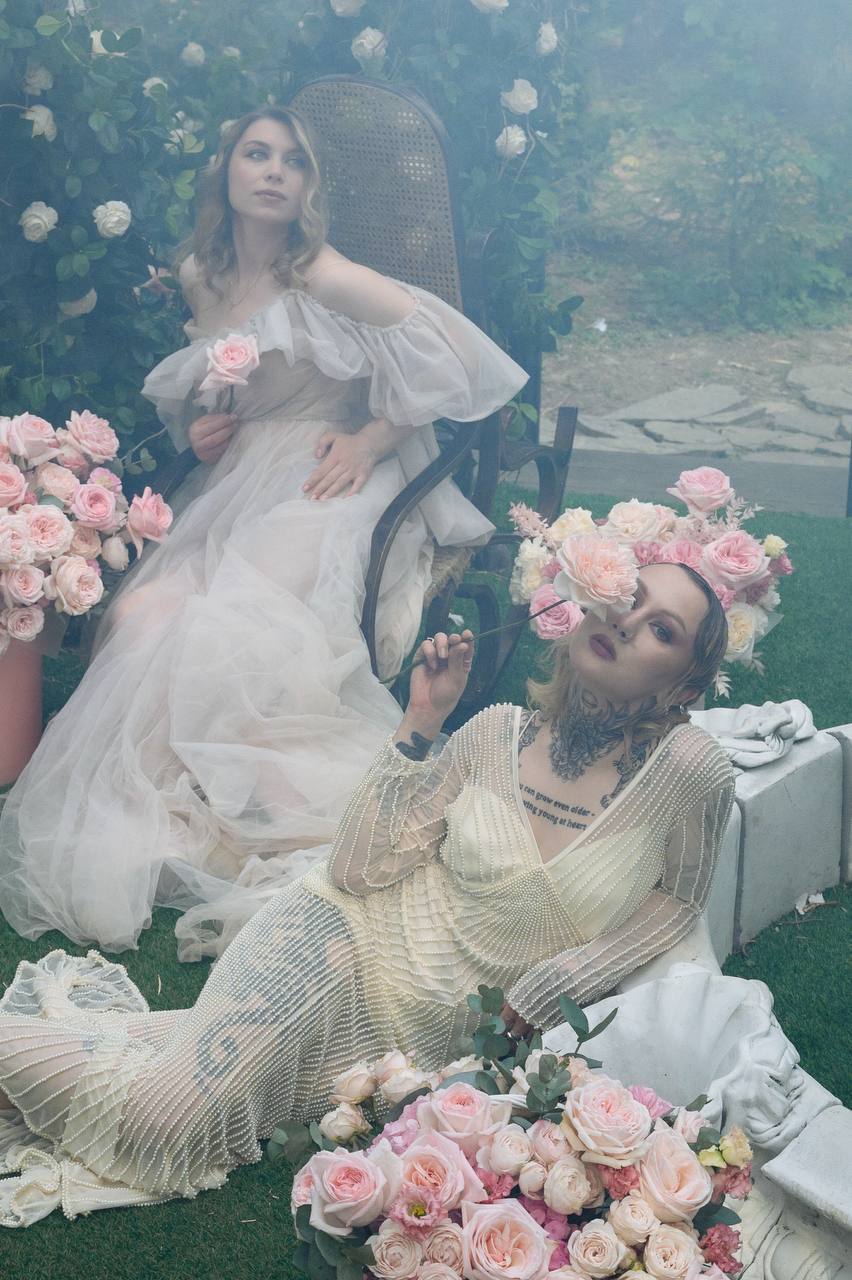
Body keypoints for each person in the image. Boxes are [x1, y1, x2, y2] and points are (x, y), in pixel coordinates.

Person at [0, 562, 734, 1227]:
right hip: (339, 940)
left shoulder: (690, 773)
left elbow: (677, 901)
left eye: (661, 630)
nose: (627, 621)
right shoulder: (492, 734)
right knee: (170, 1124)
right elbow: (356, 872)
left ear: (683, 686)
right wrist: (421, 724)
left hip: (398, 1051)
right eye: (630, 598)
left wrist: (560, 978)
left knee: (169, 1066)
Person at [0, 108, 527, 960]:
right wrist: (207, 429)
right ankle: (186, 812)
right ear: (228, 171)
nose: (275, 171)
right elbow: (220, 393)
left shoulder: (321, 272)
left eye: (293, 160)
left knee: (234, 622)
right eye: (257, 153)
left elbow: (458, 361)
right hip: (239, 480)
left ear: (308, 186)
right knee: (140, 616)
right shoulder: (201, 275)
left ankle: (296, 808)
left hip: (327, 476)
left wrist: (370, 439)